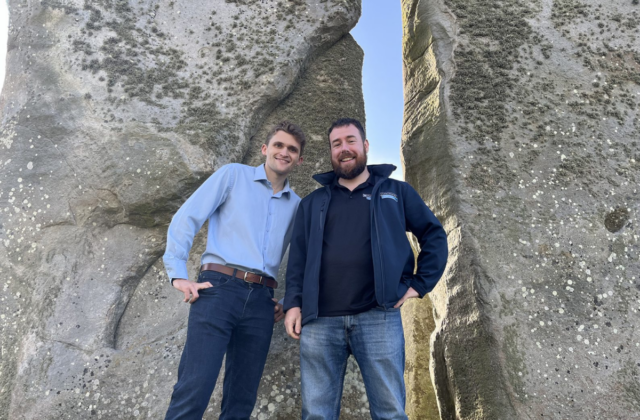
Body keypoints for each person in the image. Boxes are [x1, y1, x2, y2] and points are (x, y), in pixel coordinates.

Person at [283, 118, 448, 420]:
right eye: (337, 144)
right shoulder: (312, 203)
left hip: (378, 318)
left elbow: (434, 235)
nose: (344, 149)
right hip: (319, 323)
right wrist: (293, 304)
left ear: (365, 146)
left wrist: (418, 284)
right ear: (331, 151)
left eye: (350, 140)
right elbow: (298, 260)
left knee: (390, 413)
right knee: (316, 415)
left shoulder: (396, 192)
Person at [163, 121, 306, 420]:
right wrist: (178, 274)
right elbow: (186, 218)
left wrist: (290, 300)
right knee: (194, 389)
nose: (284, 152)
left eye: (292, 149)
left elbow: (303, 258)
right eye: (278, 145)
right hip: (218, 290)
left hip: (262, 303)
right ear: (265, 149)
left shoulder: (299, 207)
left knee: (241, 400)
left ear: (299, 159)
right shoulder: (232, 175)